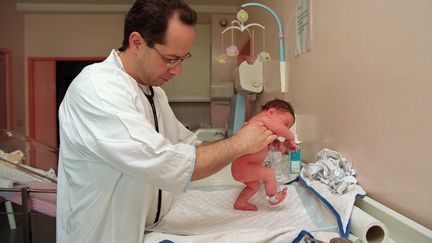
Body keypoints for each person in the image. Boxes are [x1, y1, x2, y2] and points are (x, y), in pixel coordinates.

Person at [56, 0, 278, 242]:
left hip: (147, 227)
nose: (177, 71)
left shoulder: (154, 92)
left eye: (183, 58)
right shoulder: (98, 89)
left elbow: (189, 146)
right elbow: (165, 161)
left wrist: (254, 145)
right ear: (137, 43)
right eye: (170, 59)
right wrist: (239, 144)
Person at [231, 99, 297, 211]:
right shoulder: (261, 120)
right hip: (244, 166)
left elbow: (267, 141)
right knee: (269, 173)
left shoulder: (262, 129)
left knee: (254, 186)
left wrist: (279, 144)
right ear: (271, 113)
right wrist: (290, 137)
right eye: (285, 125)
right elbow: (278, 128)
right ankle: (273, 198)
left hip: (243, 168)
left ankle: (240, 203)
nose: (284, 129)